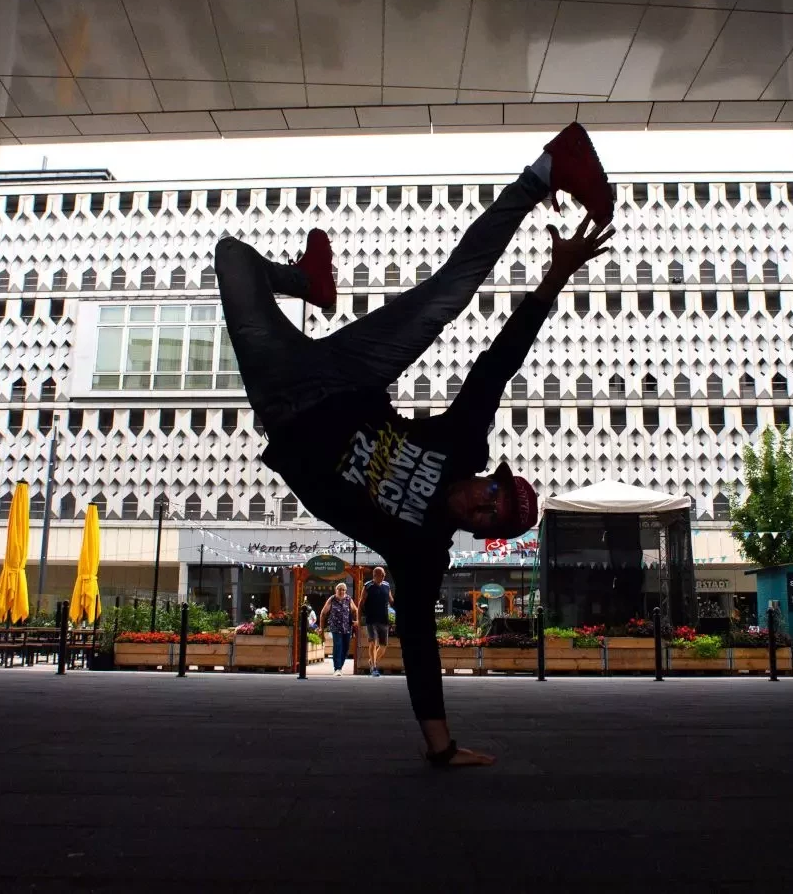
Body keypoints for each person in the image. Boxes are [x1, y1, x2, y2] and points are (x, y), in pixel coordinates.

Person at [215, 122, 614, 768]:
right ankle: (545, 169)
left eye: (489, 516)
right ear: (489, 478)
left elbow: (421, 643)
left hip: (284, 404)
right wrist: (553, 278)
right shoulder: (461, 443)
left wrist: (442, 748)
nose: (480, 504)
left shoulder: (421, 550)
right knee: (445, 296)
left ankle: (302, 281)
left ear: (479, 532)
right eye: (493, 493)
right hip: (349, 376)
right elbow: (498, 362)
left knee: (232, 258)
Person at [360, 566, 394, 677]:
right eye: (382, 575)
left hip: (383, 619)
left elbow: (391, 600)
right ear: (375, 575)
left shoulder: (387, 585)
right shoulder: (368, 586)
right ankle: (374, 667)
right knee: (373, 642)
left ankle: (372, 661)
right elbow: (361, 603)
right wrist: (358, 618)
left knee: (383, 645)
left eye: (384, 574)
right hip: (371, 619)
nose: (384, 576)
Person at [319, 582, 358, 676]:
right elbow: (323, 613)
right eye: (339, 589)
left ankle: (340, 666)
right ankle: (337, 668)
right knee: (338, 646)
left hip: (347, 627)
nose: (341, 591)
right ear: (336, 590)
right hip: (335, 627)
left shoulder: (348, 599)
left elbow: (355, 610)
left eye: (343, 590)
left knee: (346, 648)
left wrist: (356, 621)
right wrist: (321, 627)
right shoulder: (332, 599)